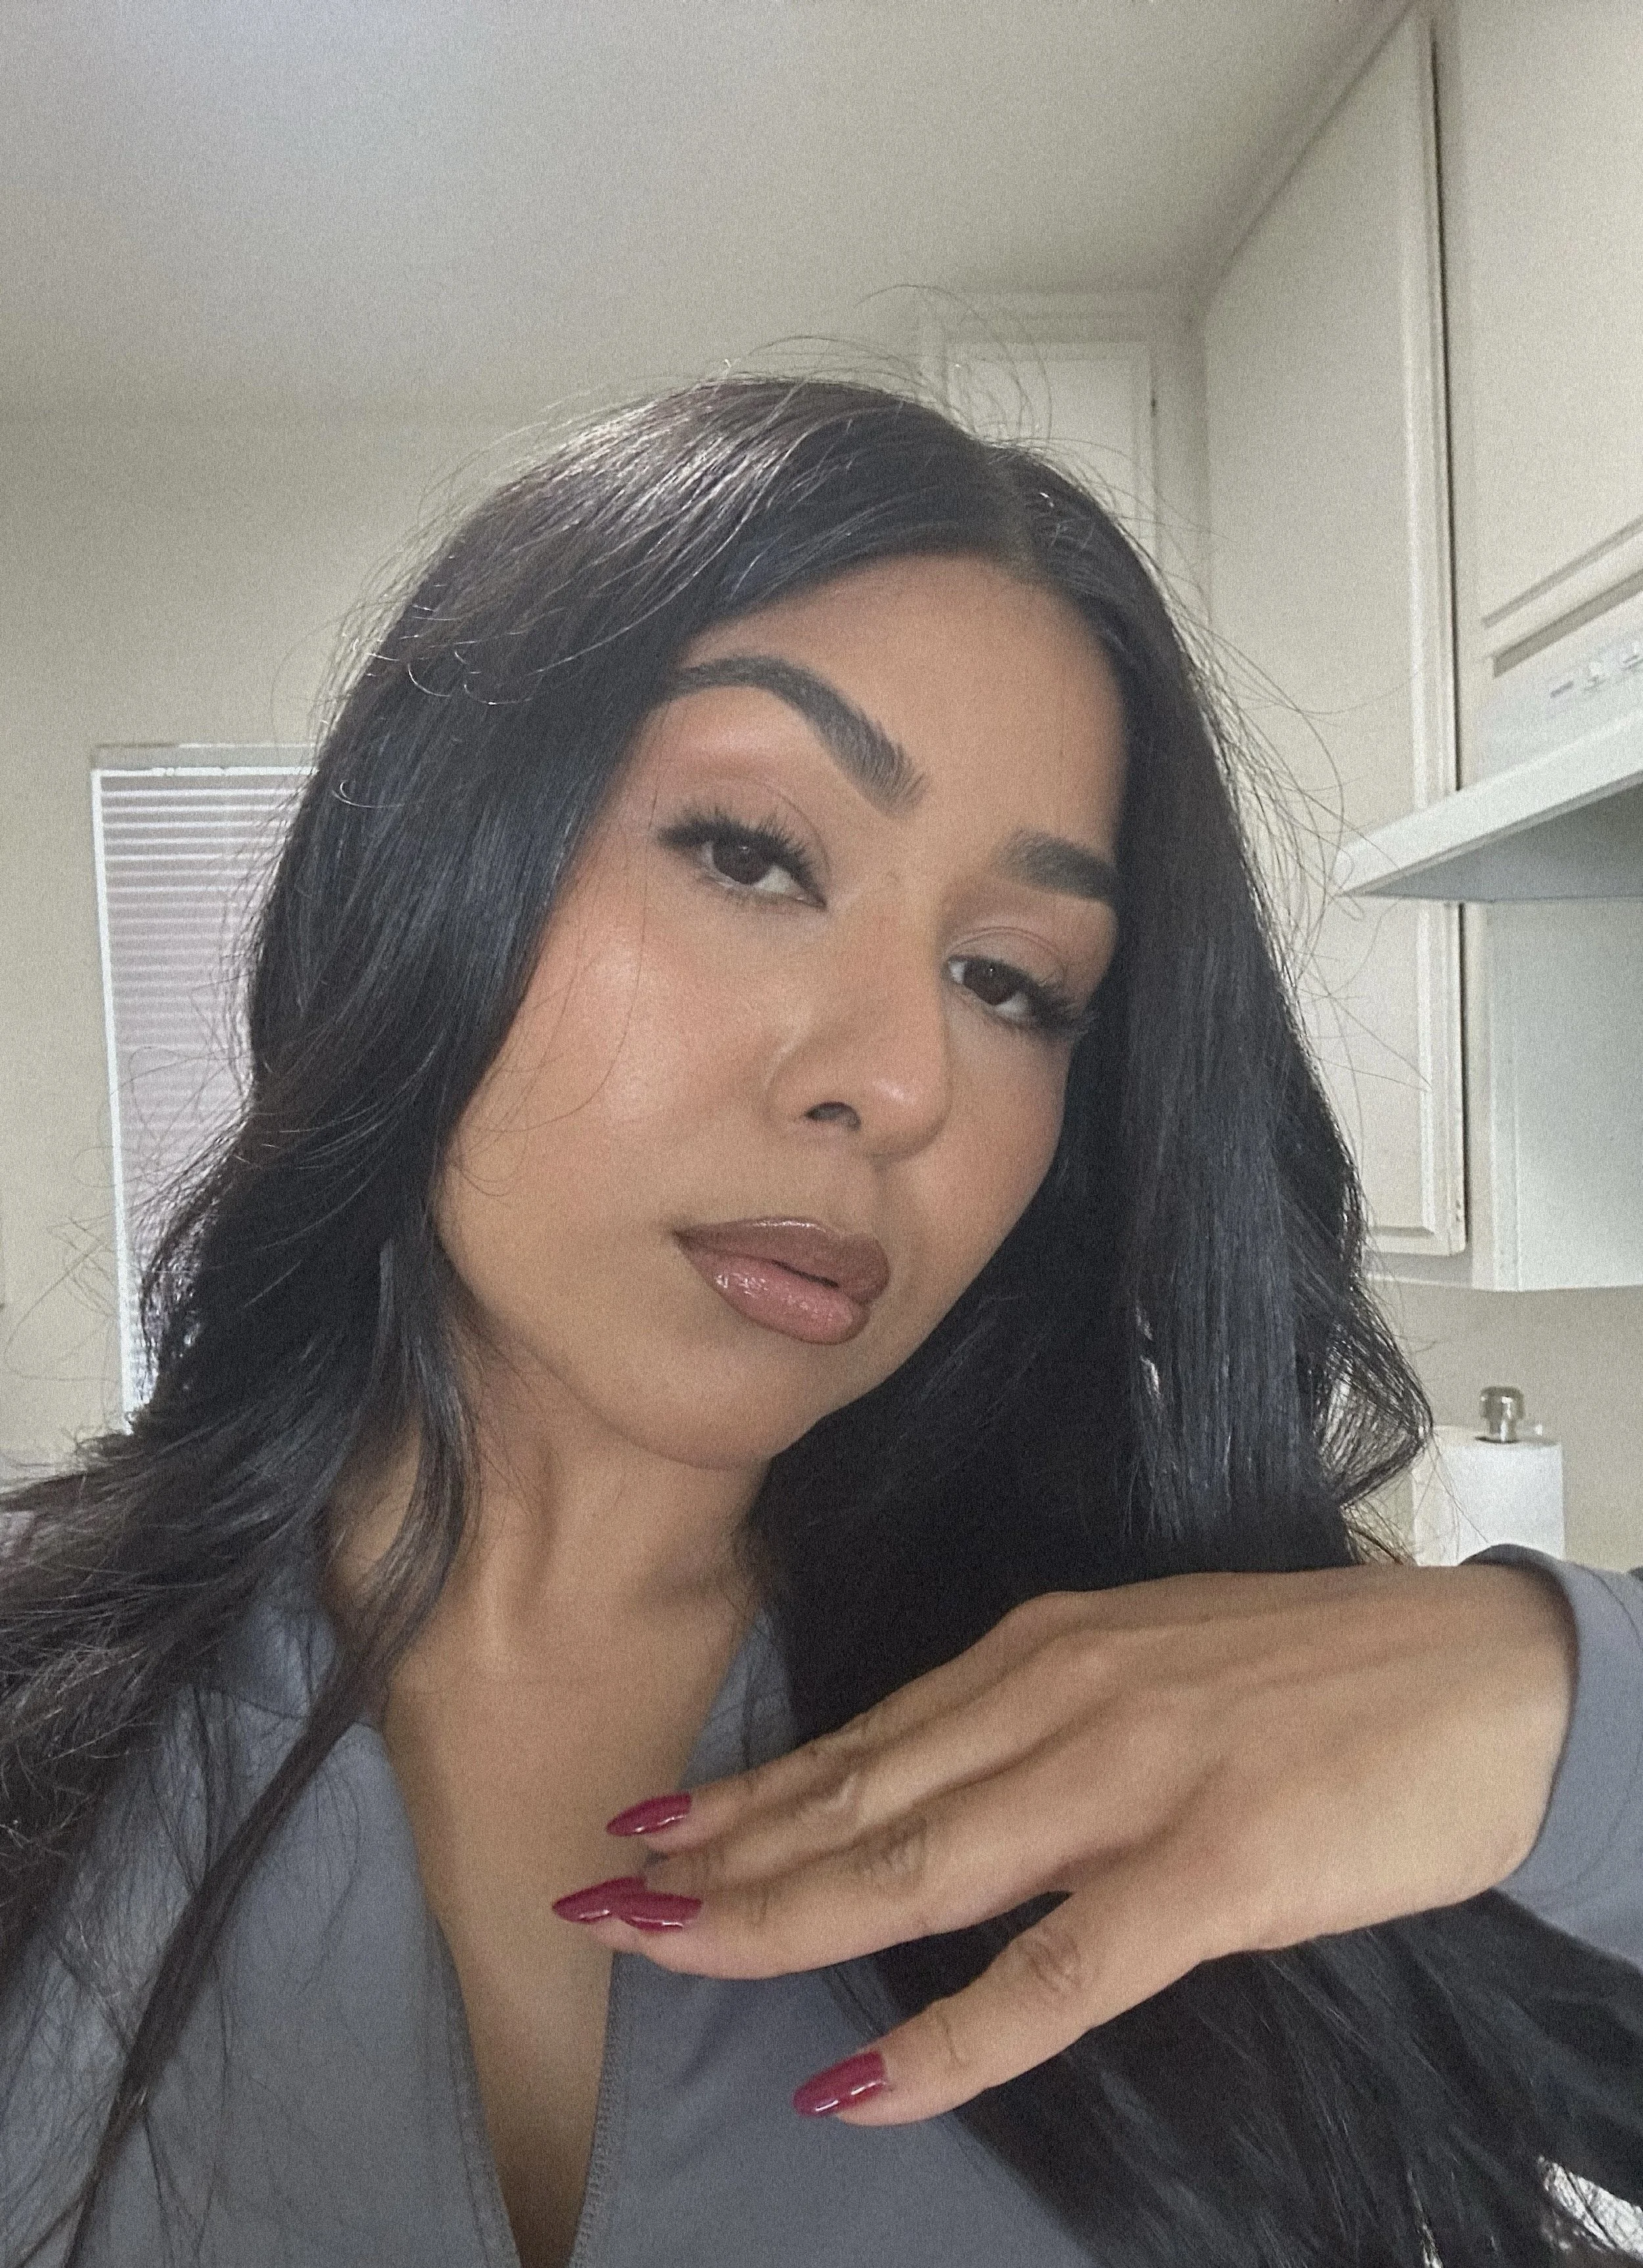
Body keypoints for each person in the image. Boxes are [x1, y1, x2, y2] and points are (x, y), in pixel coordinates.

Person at [2, 375, 1641, 2268]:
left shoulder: (1208, 1721)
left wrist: (1555, 1702)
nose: (896, 1078)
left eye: (1010, 984)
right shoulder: (48, 1709)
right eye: (751, 854)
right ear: (427, 872)